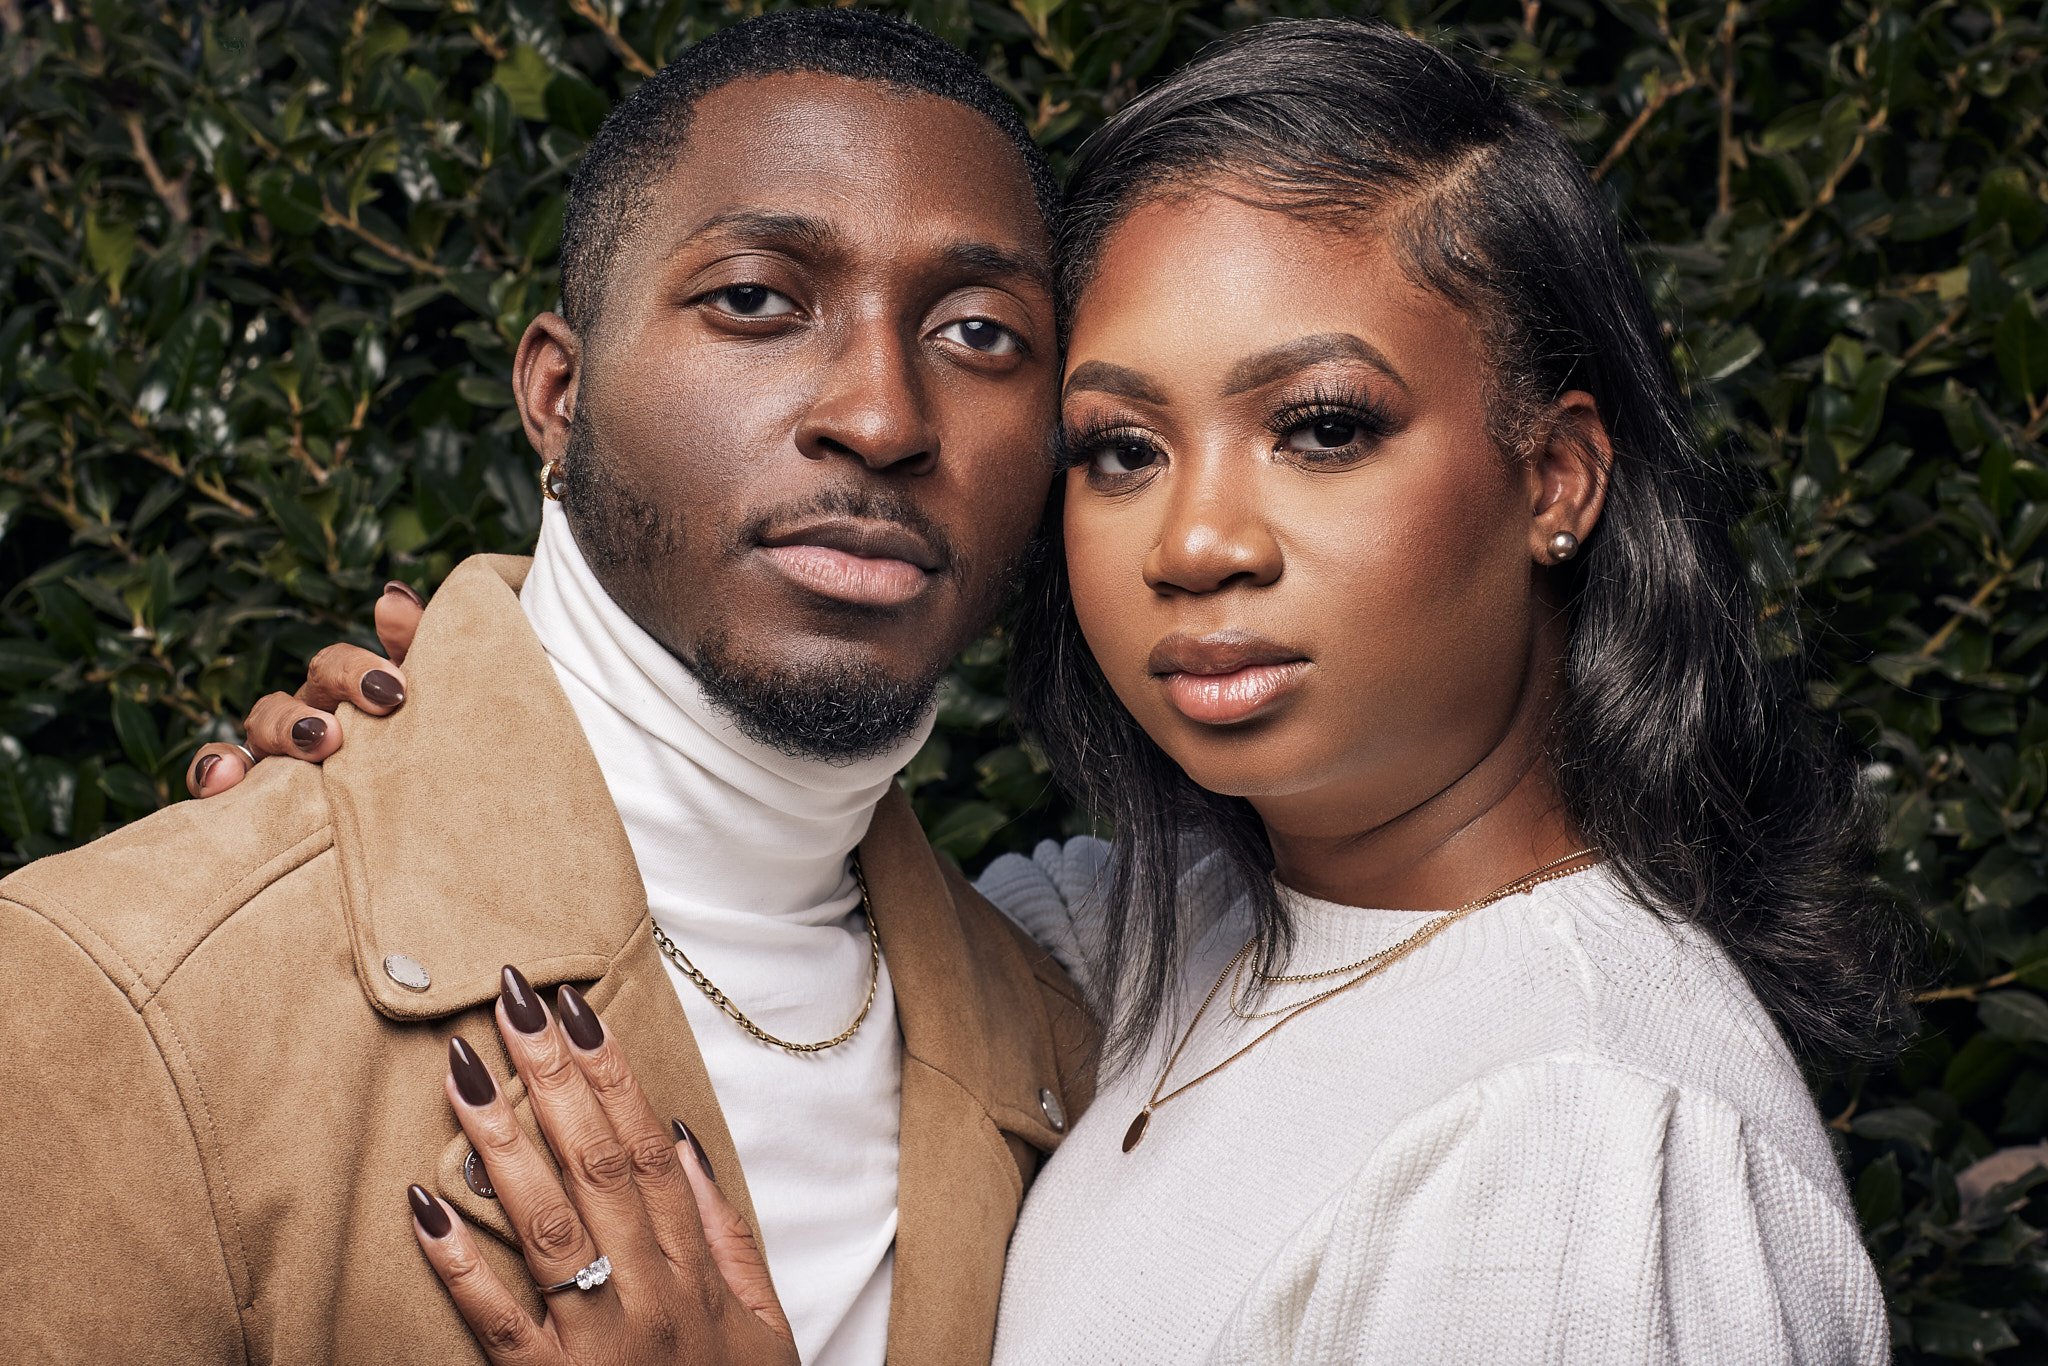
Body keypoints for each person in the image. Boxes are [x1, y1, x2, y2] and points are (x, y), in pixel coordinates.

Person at [208, 17, 1911, 1366]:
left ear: (1556, 475)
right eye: (1119, 447)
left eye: (1321, 426)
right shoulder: (1138, 936)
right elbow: (737, 880)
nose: (1197, 540)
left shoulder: (1590, 1136)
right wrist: (413, 768)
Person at [0, 12, 1095, 1365]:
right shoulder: (127, 992)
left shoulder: (1083, 1050)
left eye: (982, 331)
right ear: (559, 396)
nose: (880, 416)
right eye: (756, 299)